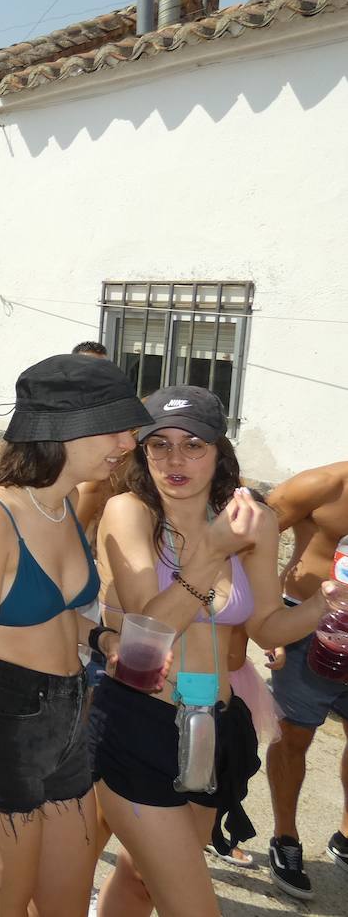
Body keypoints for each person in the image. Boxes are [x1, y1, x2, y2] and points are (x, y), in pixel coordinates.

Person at [88, 386, 331, 916]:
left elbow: (267, 627)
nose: (175, 460)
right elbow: (145, 627)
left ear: (220, 450)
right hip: (138, 719)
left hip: (216, 726)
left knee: (140, 879)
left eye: (193, 444)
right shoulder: (128, 511)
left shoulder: (254, 522)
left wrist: (325, 605)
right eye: (160, 445)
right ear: (142, 451)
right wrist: (213, 551)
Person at [0, 353, 149, 917]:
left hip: (70, 720)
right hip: (0, 724)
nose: (130, 438)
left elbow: (57, 615)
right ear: (65, 428)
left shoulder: (65, 504)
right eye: (117, 424)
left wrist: (104, 641)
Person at [263, 460, 348, 900]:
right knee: (294, 737)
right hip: (306, 628)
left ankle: (346, 835)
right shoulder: (322, 485)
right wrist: (265, 624)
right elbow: (250, 546)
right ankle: (285, 837)